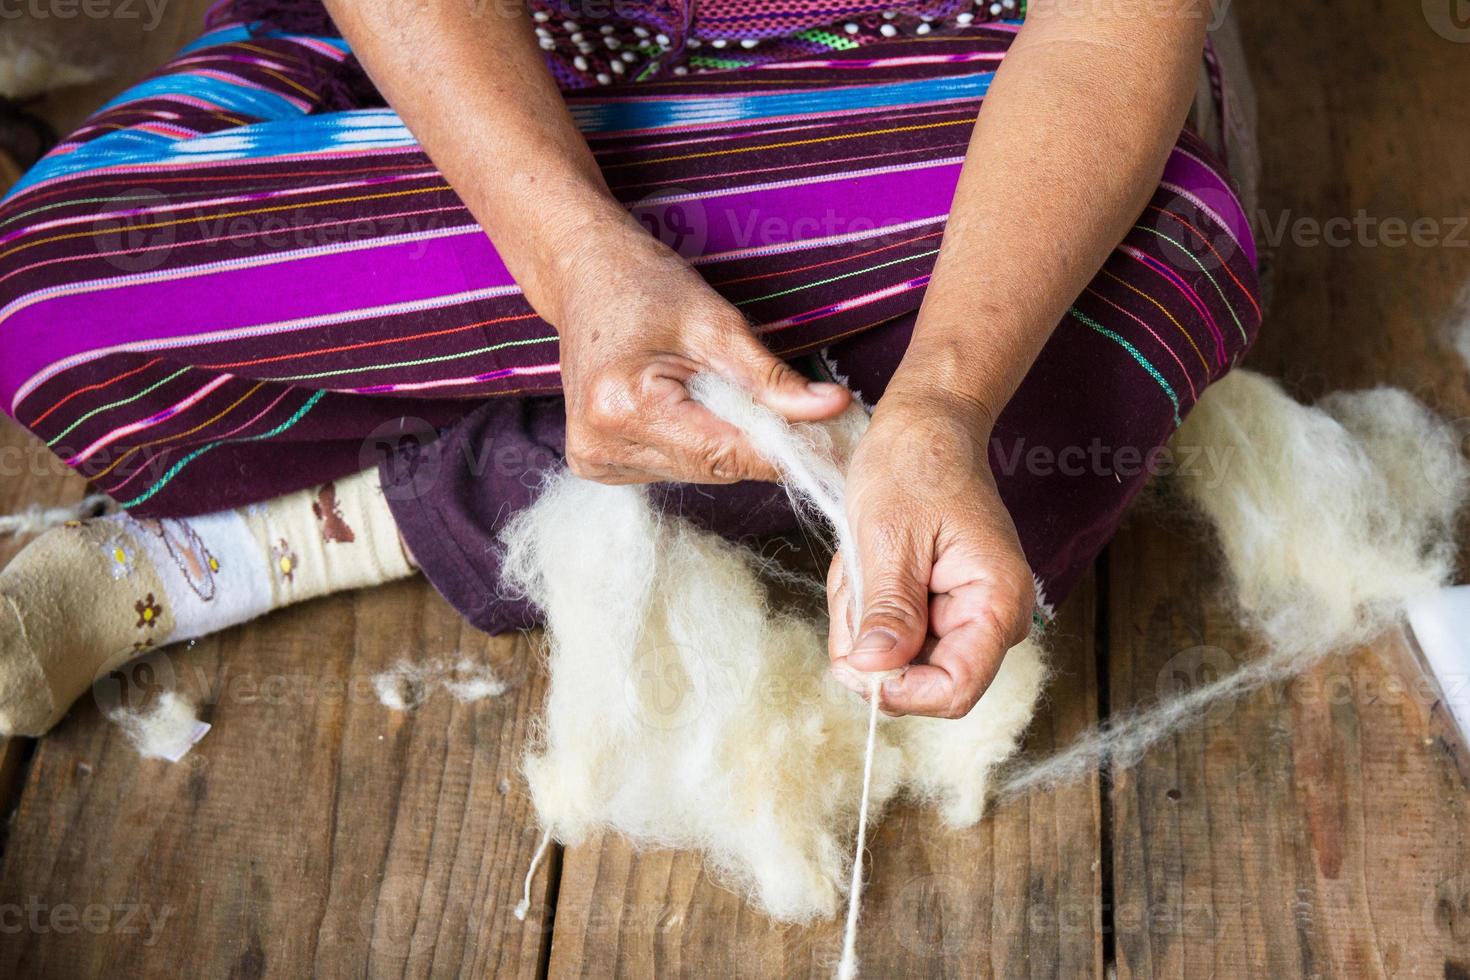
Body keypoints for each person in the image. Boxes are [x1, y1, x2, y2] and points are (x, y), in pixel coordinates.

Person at [0, 0, 1261, 735]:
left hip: (930, 79)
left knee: (1138, 284)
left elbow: (1107, 35)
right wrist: (576, 257)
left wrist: (944, 399)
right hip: (498, 53)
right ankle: (654, 401)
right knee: (60, 278)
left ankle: (328, 523)